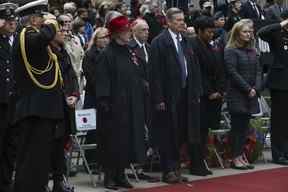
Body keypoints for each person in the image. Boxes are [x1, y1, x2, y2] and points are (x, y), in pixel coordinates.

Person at [13, 0, 64, 191]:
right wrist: (52, 23)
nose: (46, 21)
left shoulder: (32, 35)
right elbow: (41, 39)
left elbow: (53, 52)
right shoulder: (27, 34)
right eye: (42, 17)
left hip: (42, 107)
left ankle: (36, 186)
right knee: (33, 155)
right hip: (35, 107)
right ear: (34, 19)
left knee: (40, 155)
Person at [94, 15, 146, 190]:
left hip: (129, 105)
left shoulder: (128, 52)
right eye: (126, 31)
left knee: (126, 142)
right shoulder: (106, 54)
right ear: (117, 33)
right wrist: (105, 103)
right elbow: (102, 82)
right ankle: (109, 176)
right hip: (113, 107)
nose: (129, 34)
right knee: (112, 143)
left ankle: (121, 174)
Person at [150, 7, 201, 183]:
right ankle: (168, 169)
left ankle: (177, 167)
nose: (182, 22)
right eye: (178, 20)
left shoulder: (186, 41)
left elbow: (192, 68)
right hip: (168, 95)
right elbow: (154, 73)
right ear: (169, 22)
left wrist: (196, 92)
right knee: (167, 134)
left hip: (186, 93)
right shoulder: (159, 42)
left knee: (180, 132)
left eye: (183, 19)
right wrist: (158, 98)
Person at [224, 19, 261, 170]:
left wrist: (256, 88)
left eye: (250, 32)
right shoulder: (230, 50)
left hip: (251, 94)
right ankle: (235, 157)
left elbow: (258, 71)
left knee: (245, 128)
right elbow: (232, 72)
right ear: (237, 34)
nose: (248, 34)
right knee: (237, 128)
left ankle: (240, 155)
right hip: (237, 94)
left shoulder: (253, 50)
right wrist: (248, 89)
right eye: (245, 32)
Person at [191, 15, 225, 176]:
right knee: (198, 131)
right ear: (199, 31)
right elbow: (197, 72)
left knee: (205, 132)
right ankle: (196, 163)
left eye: (213, 32)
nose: (212, 35)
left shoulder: (212, 46)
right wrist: (209, 91)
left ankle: (201, 162)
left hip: (214, 94)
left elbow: (219, 70)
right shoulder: (193, 46)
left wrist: (219, 89)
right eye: (208, 32)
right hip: (201, 95)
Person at [49, 16, 79, 192]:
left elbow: (72, 76)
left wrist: (74, 94)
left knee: (61, 146)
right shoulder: (48, 51)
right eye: (61, 31)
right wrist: (65, 96)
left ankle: (60, 181)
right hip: (55, 106)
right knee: (51, 146)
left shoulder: (63, 51)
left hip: (66, 106)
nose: (65, 33)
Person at [257, 10, 288, 165]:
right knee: (279, 120)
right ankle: (278, 154)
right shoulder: (277, 33)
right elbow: (261, 32)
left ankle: (286, 151)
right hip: (280, 83)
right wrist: (282, 24)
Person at [82, 27, 110, 167]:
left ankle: (103, 159)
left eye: (107, 37)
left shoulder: (110, 54)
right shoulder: (89, 55)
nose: (106, 40)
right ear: (95, 40)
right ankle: (91, 160)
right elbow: (91, 78)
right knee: (93, 131)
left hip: (107, 97)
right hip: (94, 97)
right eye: (102, 37)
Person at [0, 3, 18, 192]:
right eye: (8, 21)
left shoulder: (17, 41)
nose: (12, 24)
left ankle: (6, 182)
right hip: (1, 101)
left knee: (11, 145)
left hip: (14, 100)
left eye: (14, 21)